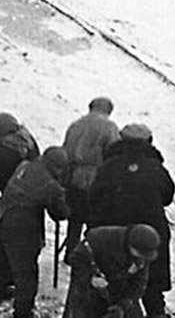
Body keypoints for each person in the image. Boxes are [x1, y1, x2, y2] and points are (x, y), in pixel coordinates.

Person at [87, 124, 175, 318]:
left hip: (114, 236)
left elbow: (93, 198)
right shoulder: (155, 168)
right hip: (150, 233)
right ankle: (156, 314)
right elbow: (168, 195)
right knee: (151, 286)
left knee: (113, 288)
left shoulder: (108, 166)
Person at [0, 147, 69, 318]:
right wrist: (66, 201)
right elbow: (59, 213)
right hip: (24, 227)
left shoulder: (24, 166)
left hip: (0, 217)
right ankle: (23, 312)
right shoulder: (51, 184)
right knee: (26, 273)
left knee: (0, 259)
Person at [64, 224, 161, 318]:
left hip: (118, 293)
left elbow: (138, 285)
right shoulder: (99, 238)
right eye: (138, 254)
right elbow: (75, 259)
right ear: (130, 245)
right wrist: (90, 278)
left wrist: (122, 307)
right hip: (87, 292)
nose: (141, 260)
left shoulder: (142, 256)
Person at [62, 97, 121, 252]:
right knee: (94, 222)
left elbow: (65, 150)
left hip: (73, 178)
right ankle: (88, 256)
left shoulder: (75, 125)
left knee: (75, 220)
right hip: (95, 180)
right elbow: (114, 154)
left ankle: (70, 251)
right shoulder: (109, 127)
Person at [0, 113, 40, 198]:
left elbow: (0, 181)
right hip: (32, 186)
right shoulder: (27, 138)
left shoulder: (4, 150)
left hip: (14, 193)